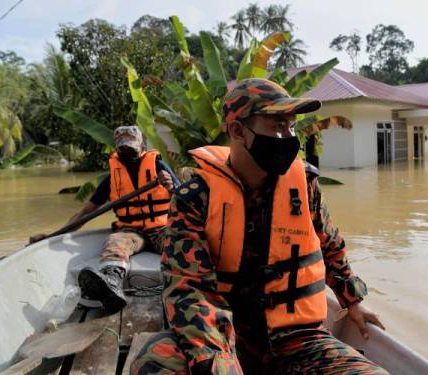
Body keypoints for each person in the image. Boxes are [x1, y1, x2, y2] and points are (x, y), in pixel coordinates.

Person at [132, 79, 388, 374]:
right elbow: (189, 289)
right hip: (227, 337)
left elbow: (330, 246)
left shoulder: (304, 186)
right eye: (277, 126)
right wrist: (219, 364)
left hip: (298, 338)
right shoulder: (195, 198)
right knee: (155, 361)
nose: (288, 137)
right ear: (238, 130)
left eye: (291, 126)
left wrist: (352, 300)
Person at [29, 126, 179, 313]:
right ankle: (111, 284)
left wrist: (171, 186)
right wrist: (54, 235)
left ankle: (187, 287)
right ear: (117, 149)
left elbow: (183, 197)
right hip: (130, 232)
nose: (127, 152)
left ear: (142, 147)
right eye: (123, 148)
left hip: (159, 229)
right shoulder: (111, 179)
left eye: (131, 148)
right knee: (114, 243)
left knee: (179, 245)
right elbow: (86, 212)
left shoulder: (158, 167)